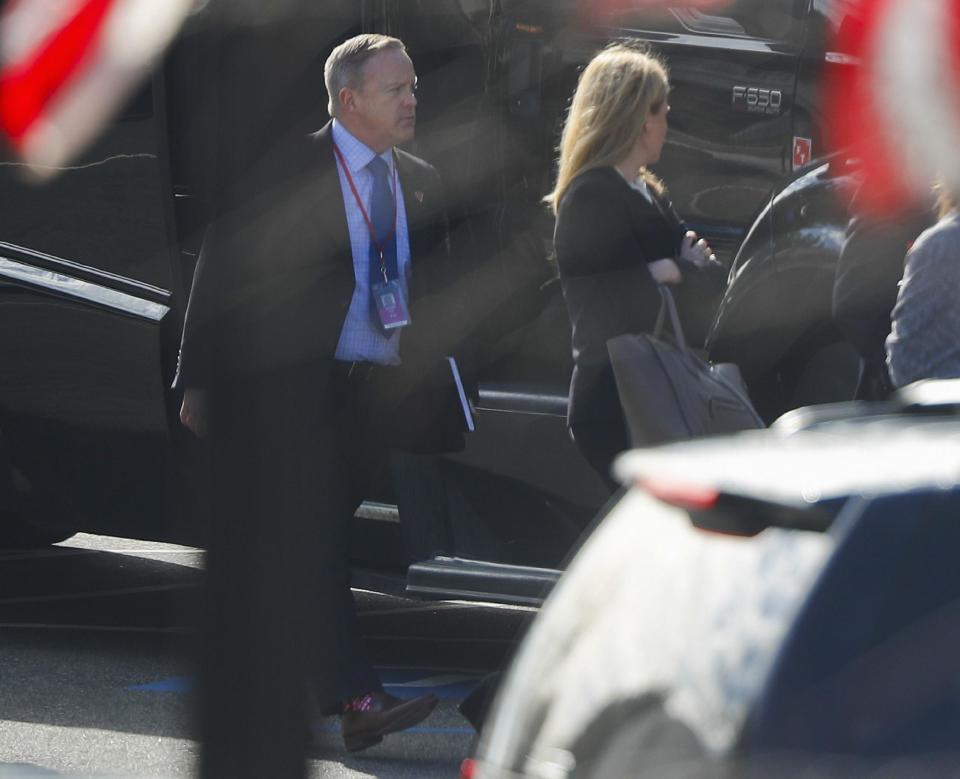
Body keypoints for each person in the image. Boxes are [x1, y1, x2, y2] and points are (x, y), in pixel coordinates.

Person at [176, 33, 468, 774]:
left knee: (313, 550)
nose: (412, 99)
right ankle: (356, 701)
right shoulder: (292, 169)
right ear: (349, 100)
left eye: (412, 87)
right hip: (297, 388)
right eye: (396, 89)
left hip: (370, 396)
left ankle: (315, 685)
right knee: (311, 547)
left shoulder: (420, 180)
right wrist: (201, 379)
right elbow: (222, 269)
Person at [545, 43, 726, 485]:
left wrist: (672, 270)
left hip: (655, 387)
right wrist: (674, 269)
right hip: (616, 400)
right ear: (636, 117)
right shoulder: (590, 196)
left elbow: (712, 277)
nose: (668, 123)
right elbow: (610, 304)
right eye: (661, 110)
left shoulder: (649, 192)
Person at [886, 181, 960, 388]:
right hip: (946, 407)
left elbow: (905, 358)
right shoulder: (943, 244)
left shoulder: (941, 243)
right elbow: (906, 359)